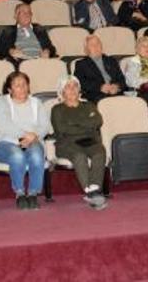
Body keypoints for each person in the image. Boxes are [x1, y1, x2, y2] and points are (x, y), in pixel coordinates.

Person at [0, 72, 48, 210]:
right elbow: (4, 125)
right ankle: (20, 193)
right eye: (17, 85)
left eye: (24, 84)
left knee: (36, 155)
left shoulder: (36, 103)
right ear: (9, 89)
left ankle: (33, 193)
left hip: (33, 140)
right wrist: (25, 135)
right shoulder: (1, 102)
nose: (22, 88)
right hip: (6, 143)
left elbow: (45, 126)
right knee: (17, 155)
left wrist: (34, 136)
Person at [51, 76, 109, 209]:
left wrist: (74, 123)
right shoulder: (57, 109)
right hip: (67, 143)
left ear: (79, 89)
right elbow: (62, 129)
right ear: (62, 91)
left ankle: (95, 188)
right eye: (68, 87)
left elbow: (97, 122)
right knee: (79, 156)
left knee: (99, 152)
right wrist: (86, 124)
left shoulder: (89, 105)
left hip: (89, 140)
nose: (72, 90)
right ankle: (89, 192)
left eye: (75, 86)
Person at [74, 35, 128, 103]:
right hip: (96, 95)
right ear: (86, 49)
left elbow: (122, 79)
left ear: (101, 46)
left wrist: (117, 87)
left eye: (98, 43)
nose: (96, 46)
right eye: (92, 45)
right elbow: (79, 83)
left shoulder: (111, 60)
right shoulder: (81, 64)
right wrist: (100, 87)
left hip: (116, 93)